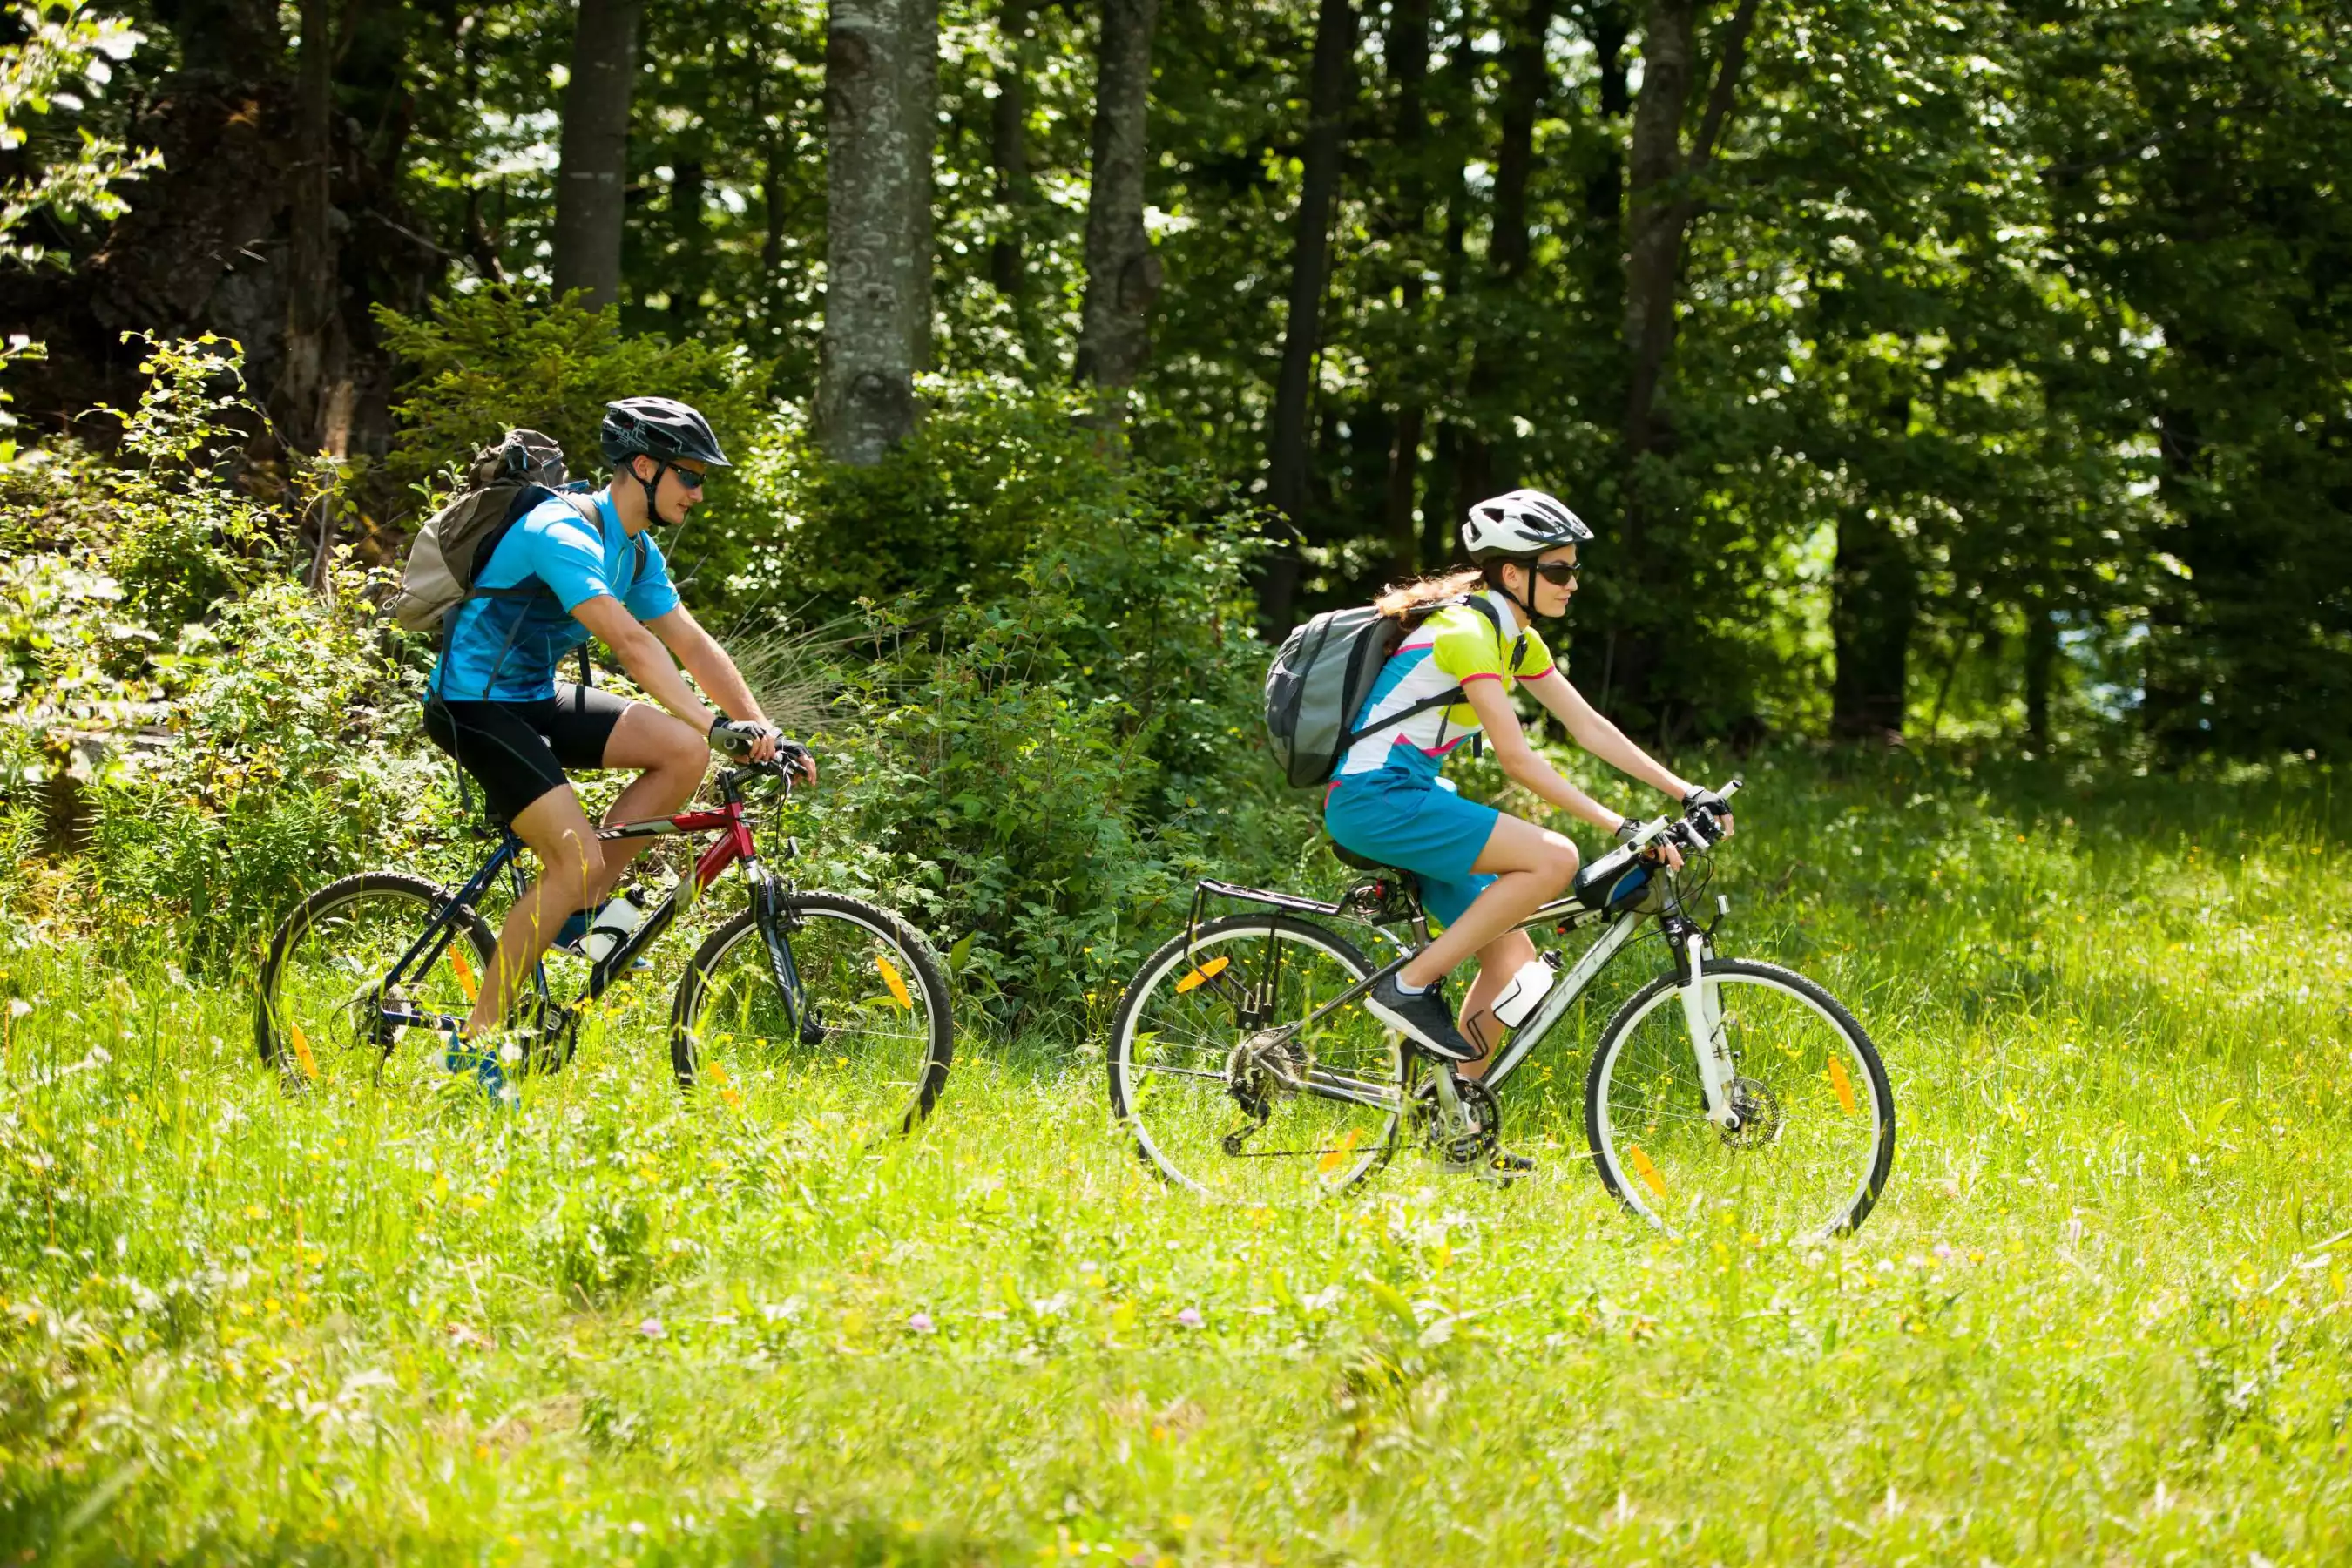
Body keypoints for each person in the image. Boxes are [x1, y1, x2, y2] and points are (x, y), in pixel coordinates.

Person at [421, 396, 814, 1098]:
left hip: (534, 697)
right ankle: (476, 1044)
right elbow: (633, 646)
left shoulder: (634, 549)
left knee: (681, 754)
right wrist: (714, 725)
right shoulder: (559, 531)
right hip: (472, 704)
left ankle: (582, 911)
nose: (699, 493)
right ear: (644, 466)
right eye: (690, 475)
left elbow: (690, 643)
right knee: (574, 856)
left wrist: (764, 730)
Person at [1328, 489, 1733, 1079]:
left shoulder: (1514, 638)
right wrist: (1619, 825)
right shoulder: (1464, 631)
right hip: (1376, 798)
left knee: (1518, 970)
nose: (1572, 583)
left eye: (1574, 569)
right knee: (1554, 858)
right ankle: (1409, 987)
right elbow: (1516, 760)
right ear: (1513, 573)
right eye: (1558, 570)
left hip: (1410, 796)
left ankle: (1452, 1126)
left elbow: (1588, 727)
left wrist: (1685, 791)